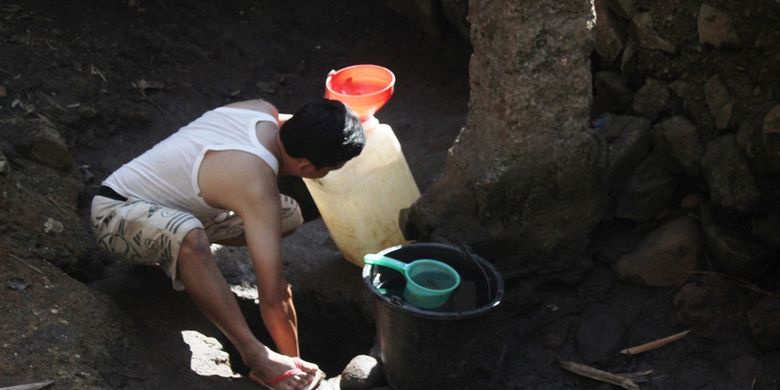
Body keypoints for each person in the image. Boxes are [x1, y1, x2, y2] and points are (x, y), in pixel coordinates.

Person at [90, 97, 365, 390]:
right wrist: (291, 363)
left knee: (289, 214)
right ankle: (256, 356)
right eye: (330, 169)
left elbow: (304, 127)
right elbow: (273, 298)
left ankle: (179, 256)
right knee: (190, 237)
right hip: (115, 216)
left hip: (176, 210)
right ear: (308, 167)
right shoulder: (257, 186)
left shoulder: (261, 109)